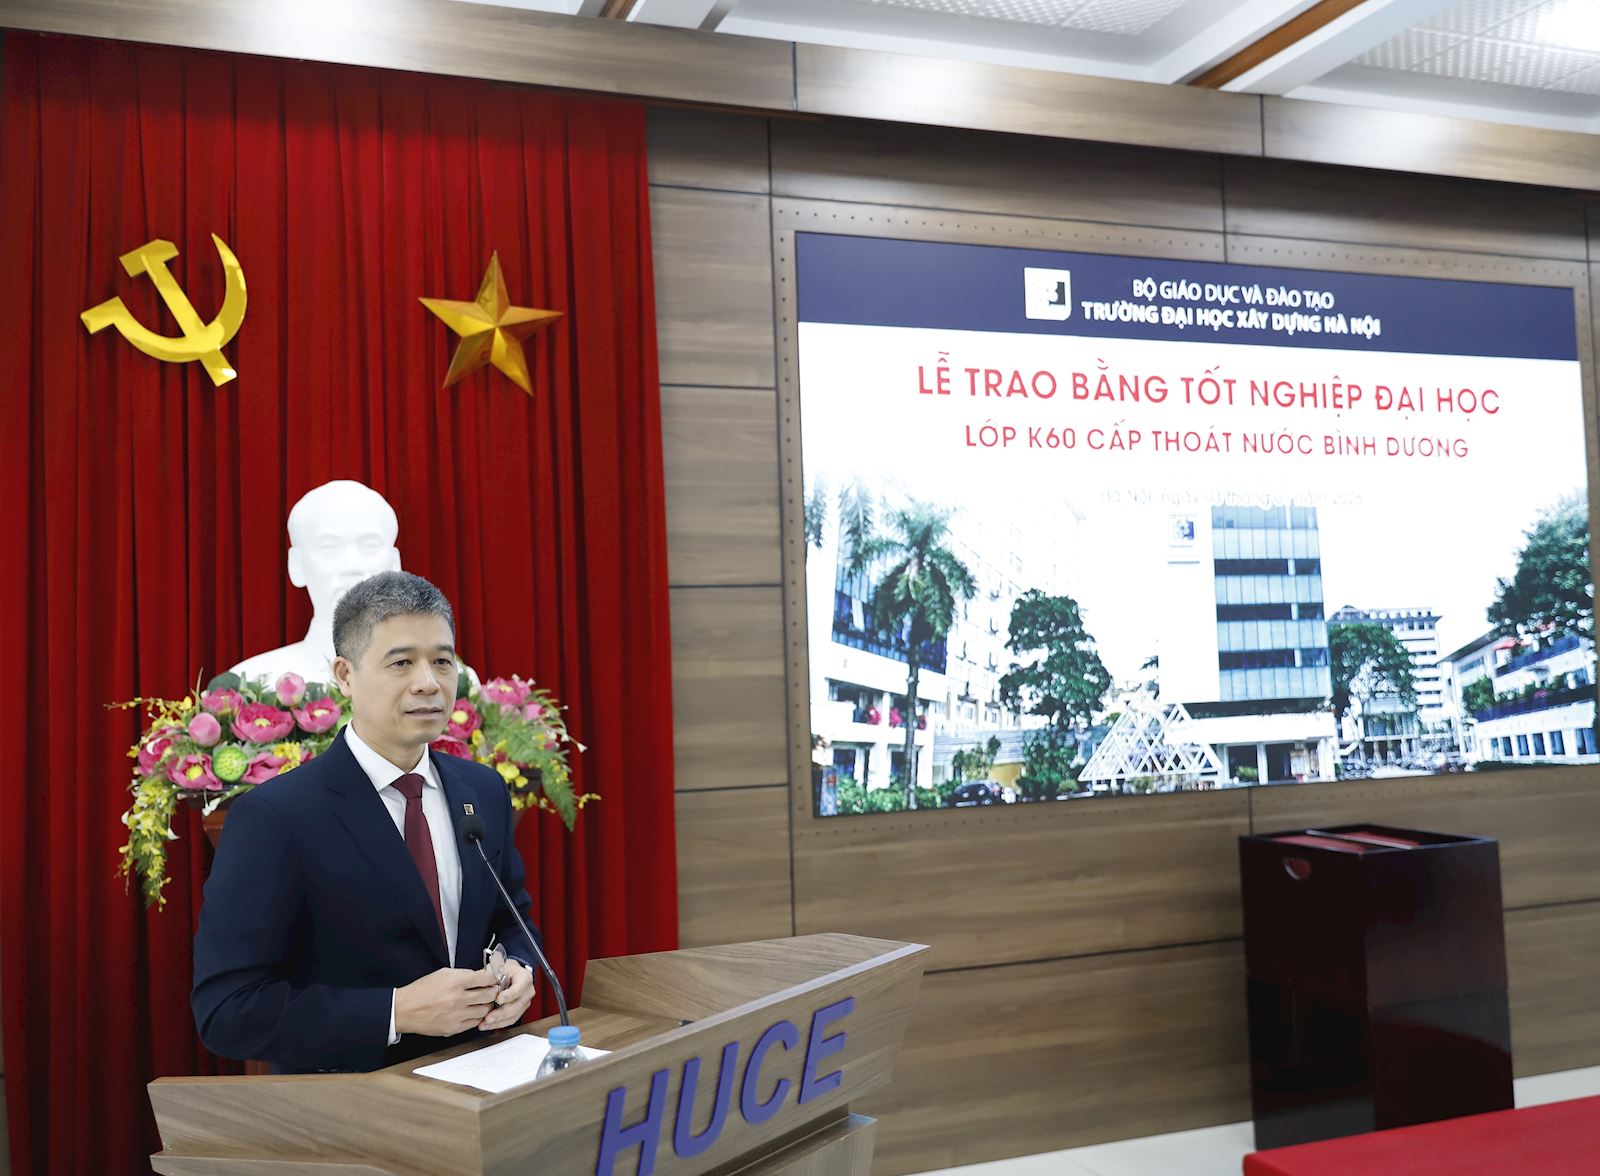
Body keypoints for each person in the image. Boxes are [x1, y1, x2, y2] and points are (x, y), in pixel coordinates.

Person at [193, 571, 539, 1073]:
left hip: (478, 1074)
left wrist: (521, 968)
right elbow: (227, 1010)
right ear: (345, 675)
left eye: (442, 661)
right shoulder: (276, 816)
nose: (429, 682)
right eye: (401, 662)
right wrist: (396, 1012)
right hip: (349, 1095)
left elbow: (512, 918)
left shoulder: (481, 790)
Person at [229, 480, 403, 685]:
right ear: (297, 565)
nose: (352, 566)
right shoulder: (246, 685)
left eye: (369, 545)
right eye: (329, 547)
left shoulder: (435, 682)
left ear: (395, 564)